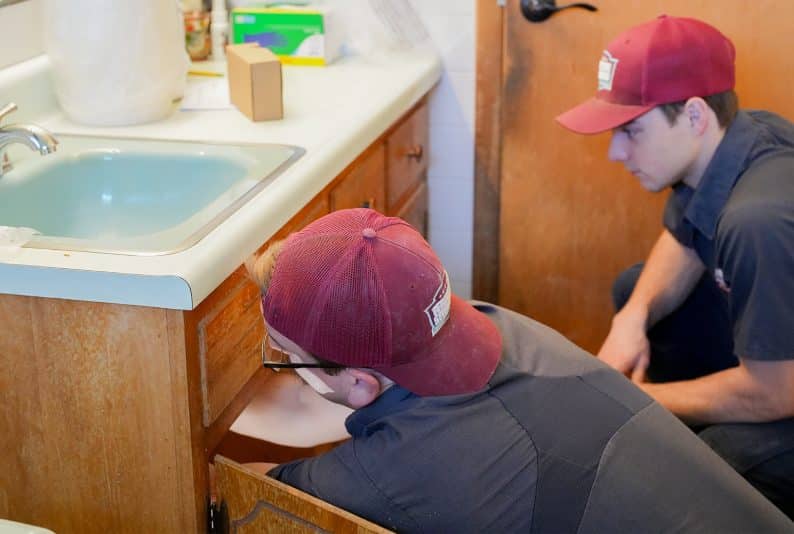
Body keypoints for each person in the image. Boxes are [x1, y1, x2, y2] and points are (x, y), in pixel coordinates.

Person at [244, 207, 792, 532]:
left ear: (361, 383)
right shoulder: (499, 324)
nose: (288, 367)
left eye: (287, 356)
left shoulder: (404, 468)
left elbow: (254, 493)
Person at [556, 14, 794, 516]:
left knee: (715, 464)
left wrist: (640, 400)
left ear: (693, 115)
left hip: (783, 385)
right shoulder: (741, 135)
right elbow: (685, 235)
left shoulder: (758, 220)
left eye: (631, 131)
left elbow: (777, 393)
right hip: (778, 346)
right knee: (633, 292)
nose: (615, 153)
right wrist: (632, 318)